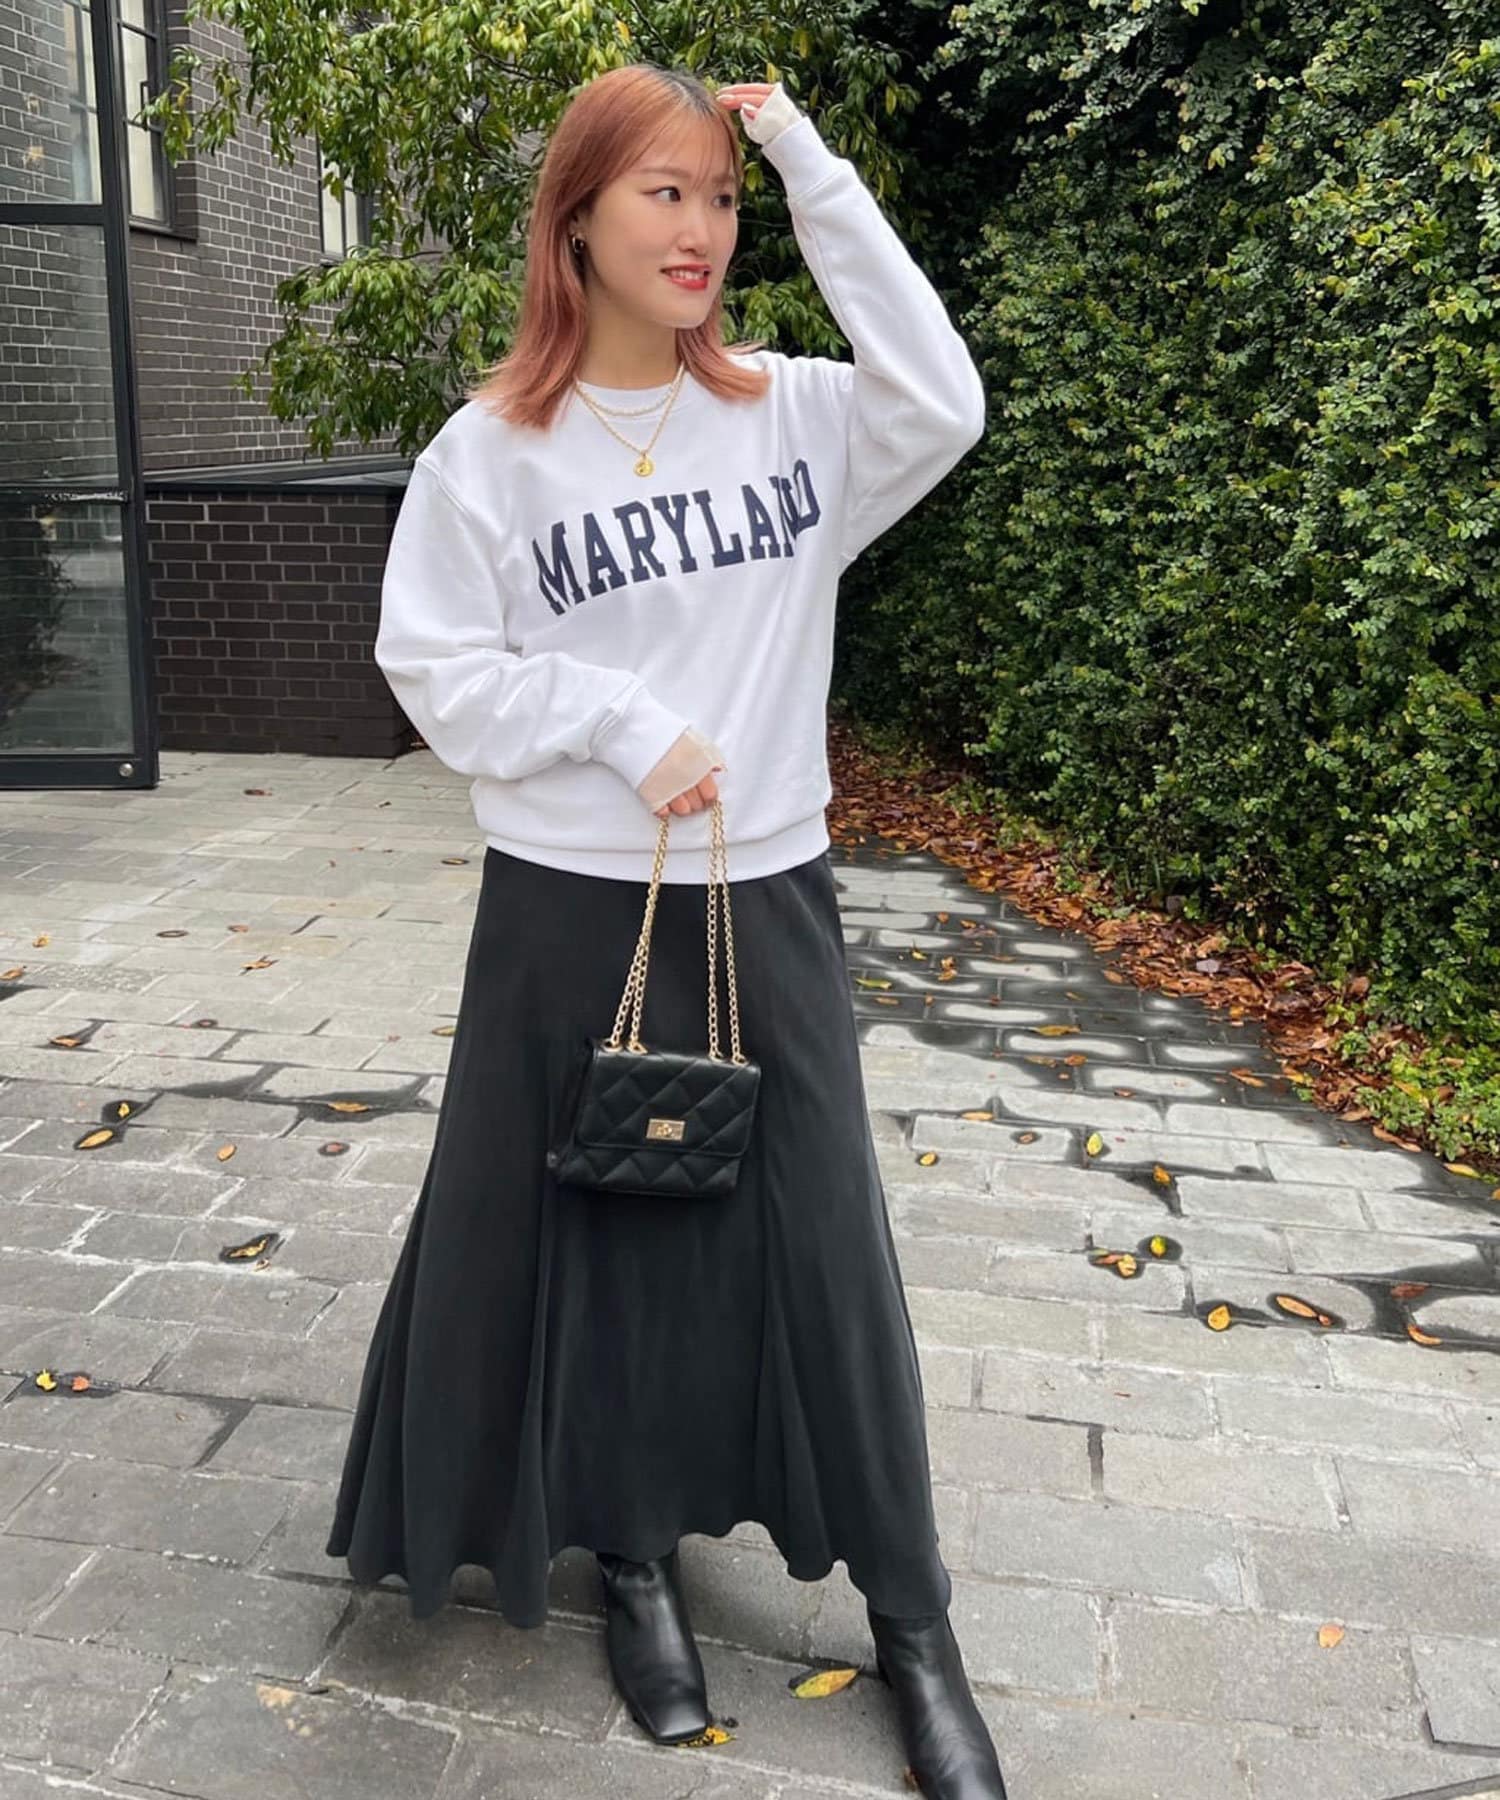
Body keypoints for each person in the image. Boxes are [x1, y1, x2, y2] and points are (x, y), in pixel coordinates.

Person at [323, 60, 1004, 1799]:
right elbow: (433, 669)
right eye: (665, 192)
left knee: (822, 1249)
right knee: (603, 1238)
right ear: (578, 219)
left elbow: (947, 396)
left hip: (762, 888)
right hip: (566, 906)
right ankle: (630, 1560)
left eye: (718, 197)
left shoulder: (793, 416)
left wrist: (806, 161)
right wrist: (620, 724)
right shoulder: (491, 453)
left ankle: (914, 1622)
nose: (701, 229)